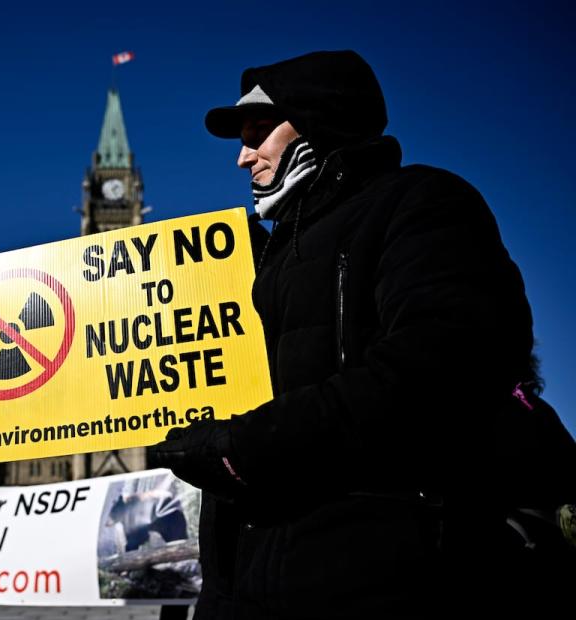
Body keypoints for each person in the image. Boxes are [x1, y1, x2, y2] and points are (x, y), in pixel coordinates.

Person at [147, 50, 576, 618]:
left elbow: (443, 364)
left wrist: (247, 445)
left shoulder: (421, 203)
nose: (242, 157)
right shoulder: (261, 261)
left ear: (318, 120)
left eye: (256, 132)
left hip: (380, 579)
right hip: (245, 588)